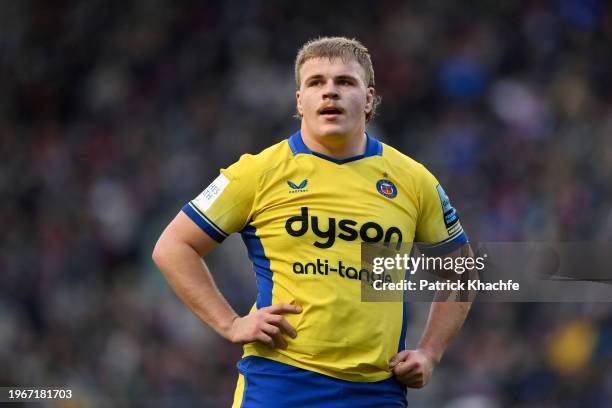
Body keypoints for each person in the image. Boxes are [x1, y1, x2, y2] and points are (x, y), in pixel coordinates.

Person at [152, 36, 473, 407]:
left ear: (369, 99)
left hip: (376, 390)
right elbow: (173, 247)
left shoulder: (413, 181)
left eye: (345, 82)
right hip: (280, 383)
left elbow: (461, 271)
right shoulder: (256, 173)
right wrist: (231, 323)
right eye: (316, 83)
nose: (330, 92)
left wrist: (430, 353)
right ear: (299, 101)